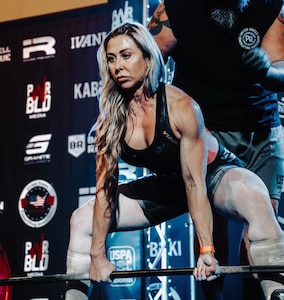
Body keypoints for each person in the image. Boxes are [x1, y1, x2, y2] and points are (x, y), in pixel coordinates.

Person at [64, 22, 284, 300]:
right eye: (111, 58)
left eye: (126, 55)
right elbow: (105, 190)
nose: (117, 65)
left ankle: (278, 292)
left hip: (212, 175)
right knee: (80, 219)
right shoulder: (110, 123)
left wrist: (206, 251)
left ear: (148, 58)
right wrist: (98, 254)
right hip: (169, 185)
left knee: (256, 198)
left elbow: (194, 183)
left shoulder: (181, 107)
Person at [147, 1, 284, 299]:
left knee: (262, 221)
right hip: (205, 131)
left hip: (259, 129)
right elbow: (145, 63)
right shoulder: (176, 8)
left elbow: (280, 68)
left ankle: (257, 294)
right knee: (210, 226)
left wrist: (268, 73)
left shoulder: (266, 4)